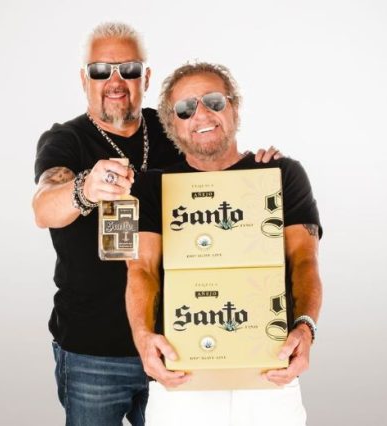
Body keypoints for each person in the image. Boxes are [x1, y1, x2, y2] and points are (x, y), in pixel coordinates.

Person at [32, 23, 280, 426]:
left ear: (145, 77)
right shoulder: (66, 140)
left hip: (176, 343)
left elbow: (218, 170)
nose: (115, 81)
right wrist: (85, 187)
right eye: (101, 70)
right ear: (84, 79)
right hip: (93, 353)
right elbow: (44, 207)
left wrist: (259, 170)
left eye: (128, 69)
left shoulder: (169, 130)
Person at [125, 62, 323, 426]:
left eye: (214, 101)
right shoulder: (152, 188)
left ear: (234, 108)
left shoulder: (282, 174)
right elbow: (142, 268)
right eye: (186, 108)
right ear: (172, 123)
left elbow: (304, 260)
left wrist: (306, 328)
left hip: (269, 376)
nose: (202, 114)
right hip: (183, 381)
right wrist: (142, 336)